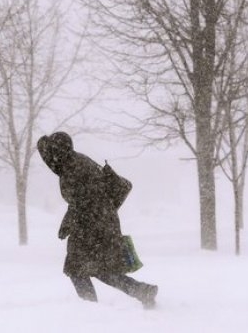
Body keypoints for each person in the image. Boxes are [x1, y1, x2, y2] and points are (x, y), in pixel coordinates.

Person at [37, 131, 158, 309]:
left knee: (76, 268)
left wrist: (68, 223)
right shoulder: (75, 162)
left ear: (61, 151)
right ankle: (142, 291)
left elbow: (82, 200)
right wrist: (68, 223)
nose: (52, 157)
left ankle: (90, 310)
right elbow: (82, 198)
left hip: (91, 224)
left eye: (54, 152)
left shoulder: (73, 168)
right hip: (101, 221)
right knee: (102, 270)